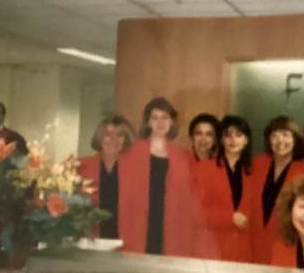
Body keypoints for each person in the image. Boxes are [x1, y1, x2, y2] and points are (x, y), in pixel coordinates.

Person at [118, 97, 195, 256]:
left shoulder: (184, 156)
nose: (160, 122)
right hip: (139, 219)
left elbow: (187, 197)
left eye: (165, 117)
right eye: (155, 117)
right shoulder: (131, 151)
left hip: (170, 222)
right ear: (147, 122)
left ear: (172, 122)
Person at [193, 115, 253, 262]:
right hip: (211, 249)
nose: (233, 140)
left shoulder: (254, 171)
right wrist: (229, 218)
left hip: (243, 252)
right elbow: (195, 212)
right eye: (228, 135)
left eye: (239, 135)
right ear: (221, 140)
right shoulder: (204, 168)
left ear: (246, 140)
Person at [250, 115, 304, 264]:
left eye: (285, 135)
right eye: (274, 136)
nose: (280, 141)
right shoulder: (257, 163)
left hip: (286, 244)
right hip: (253, 242)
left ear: (295, 139)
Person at [77, 114, 135, 239]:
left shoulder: (137, 172)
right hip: (89, 241)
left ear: (126, 140)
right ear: (100, 137)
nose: (113, 140)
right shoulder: (79, 167)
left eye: (120, 135)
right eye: (108, 135)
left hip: (127, 242)